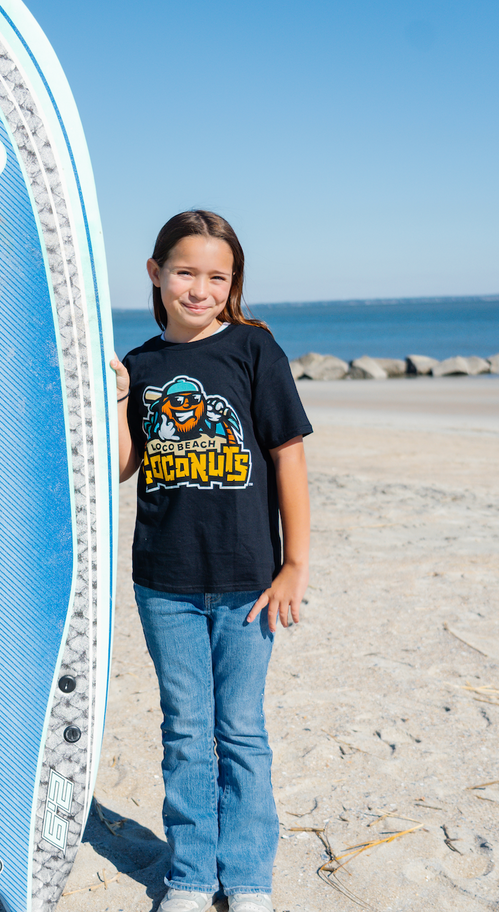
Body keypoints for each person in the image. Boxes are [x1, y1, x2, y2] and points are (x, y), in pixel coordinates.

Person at [109, 210, 312, 912]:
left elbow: (288, 457)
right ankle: (192, 874)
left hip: (247, 581)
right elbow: (121, 466)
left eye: (217, 277)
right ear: (155, 274)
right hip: (163, 582)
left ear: (233, 283)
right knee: (186, 730)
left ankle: (248, 876)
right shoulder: (140, 366)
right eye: (185, 272)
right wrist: (113, 400)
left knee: (241, 731)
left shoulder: (254, 351)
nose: (200, 289)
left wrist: (294, 563)